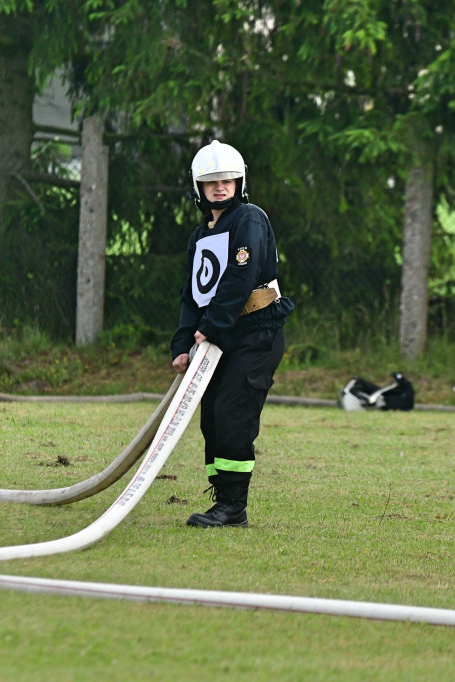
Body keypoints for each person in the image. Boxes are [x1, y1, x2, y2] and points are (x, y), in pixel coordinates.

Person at [170, 140, 294, 528]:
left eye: (227, 180)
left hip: (255, 333)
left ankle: (233, 507)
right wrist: (182, 342)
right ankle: (221, 499)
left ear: (239, 182)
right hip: (219, 333)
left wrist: (210, 328)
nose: (220, 187)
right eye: (211, 182)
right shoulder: (199, 235)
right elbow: (193, 293)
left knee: (233, 414)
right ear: (199, 188)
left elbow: (240, 278)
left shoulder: (249, 219)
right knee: (212, 419)